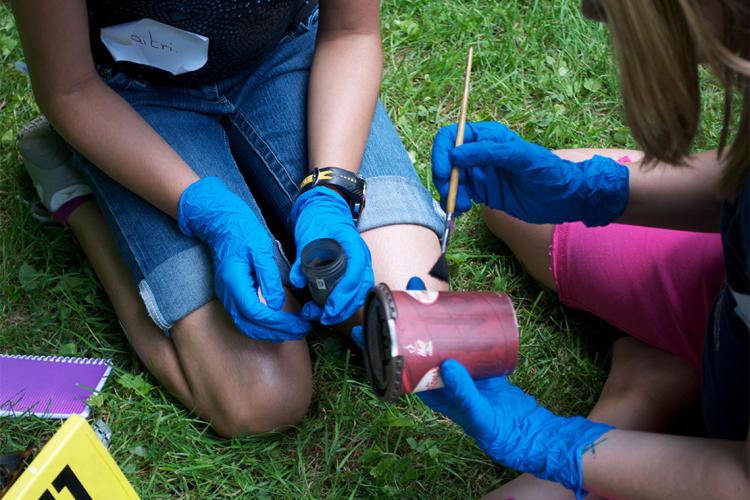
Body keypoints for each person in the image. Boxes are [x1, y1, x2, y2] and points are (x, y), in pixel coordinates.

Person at [11, 0, 448, 438]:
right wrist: (204, 209)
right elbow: (69, 88)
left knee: (418, 332)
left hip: (290, 54)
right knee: (260, 398)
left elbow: (350, 33)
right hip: (129, 96)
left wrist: (331, 190)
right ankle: (79, 200)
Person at [421, 0, 749, 498]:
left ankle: (645, 397)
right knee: (506, 210)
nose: (589, 11)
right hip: (725, 292)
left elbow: (741, 481)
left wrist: (555, 444)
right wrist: (586, 189)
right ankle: (667, 372)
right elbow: (740, 183)